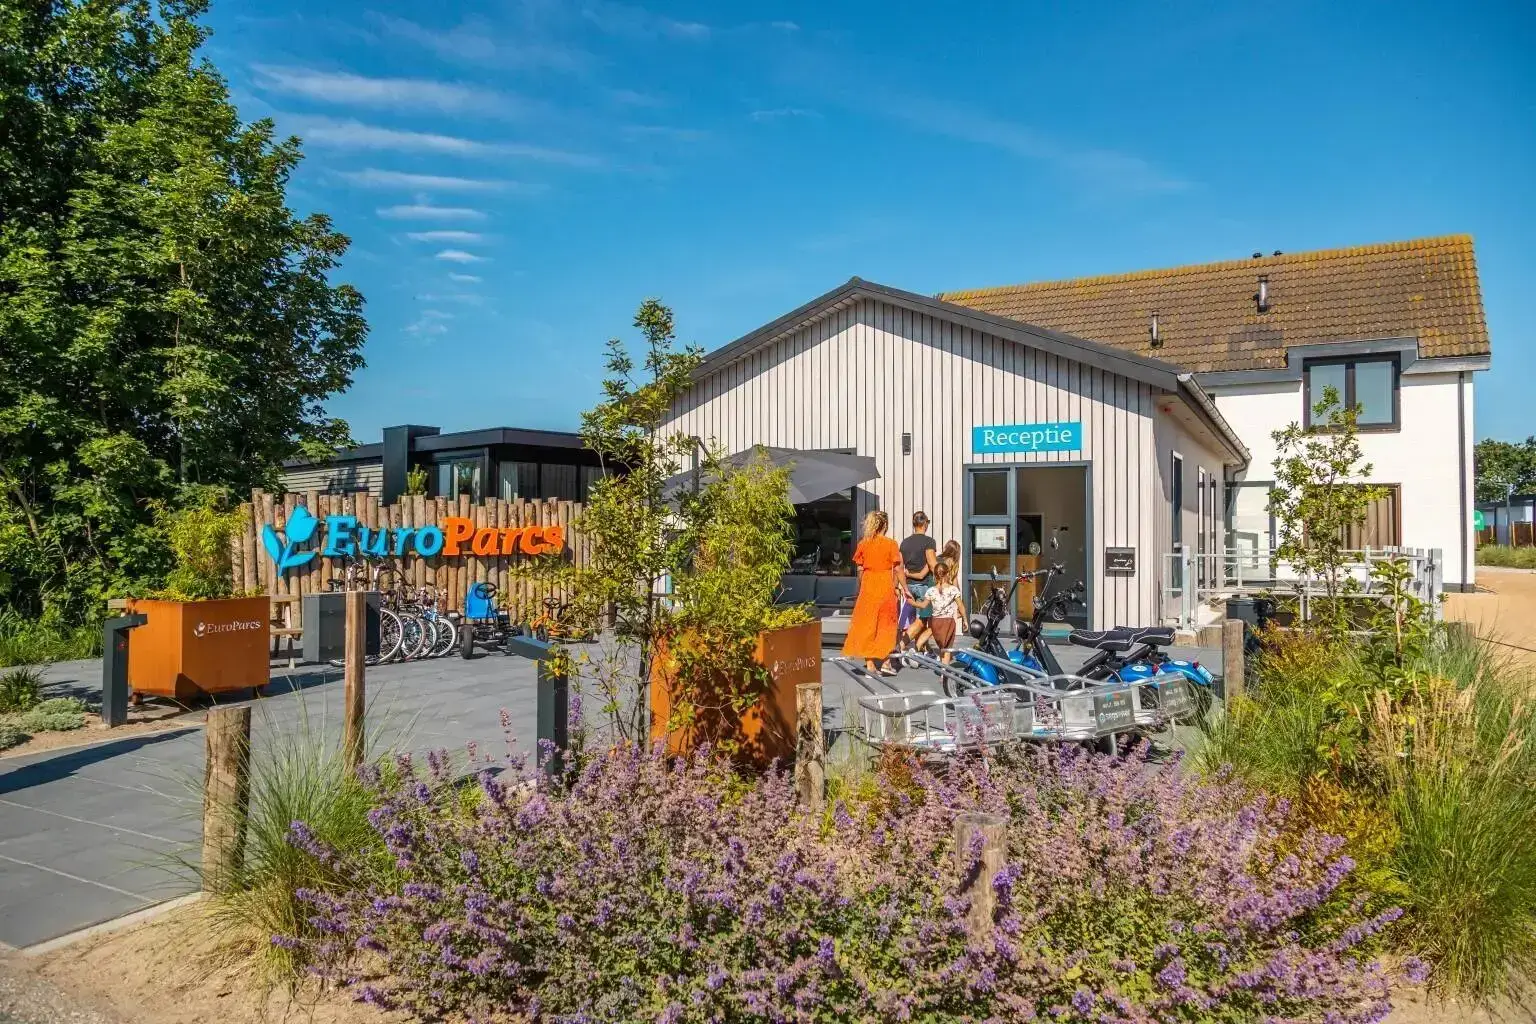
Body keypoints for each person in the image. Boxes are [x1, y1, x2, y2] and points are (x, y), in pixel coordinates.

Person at [842, 510, 908, 676]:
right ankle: (885, 662)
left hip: (868, 586)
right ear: (885, 525)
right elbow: (898, 569)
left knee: (867, 625)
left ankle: (870, 664)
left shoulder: (863, 544)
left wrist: (862, 588)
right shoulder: (891, 544)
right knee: (886, 625)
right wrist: (905, 589)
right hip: (885, 585)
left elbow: (860, 569)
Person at [911, 560, 966, 663]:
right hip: (948, 622)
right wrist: (965, 620)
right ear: (947, 574)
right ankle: (944, 670)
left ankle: (918, 649)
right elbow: (961, 606)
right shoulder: (953, 589)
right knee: (947, 648)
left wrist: (912, 602)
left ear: (934, 576)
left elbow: (923, 605)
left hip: (935, 622)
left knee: (941, 647)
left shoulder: (931, 591)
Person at [899, 512, 939, 653]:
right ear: (925, 524)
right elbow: (932, 564)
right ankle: (901, 645)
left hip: (909, 585)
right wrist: (942, 582)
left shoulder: (904, 542)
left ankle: (923, 647)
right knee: (923, 619)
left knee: (919, 618)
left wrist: (903, 586)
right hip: (924, 585)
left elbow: (900, 567)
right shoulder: (929, 541)